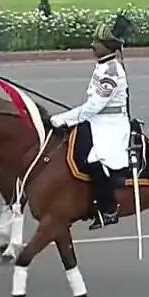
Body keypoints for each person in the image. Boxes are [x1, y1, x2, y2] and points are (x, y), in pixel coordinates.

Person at [49, 22, 131, 230]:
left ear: (108, 47)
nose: (92, 45)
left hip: (111, 124)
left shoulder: (111, 71)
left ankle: (109, 209)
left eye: (97, 42)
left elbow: (93, 106)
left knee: (94, 159)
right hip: (98, 119)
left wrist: (65, 118)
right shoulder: (102, 64)